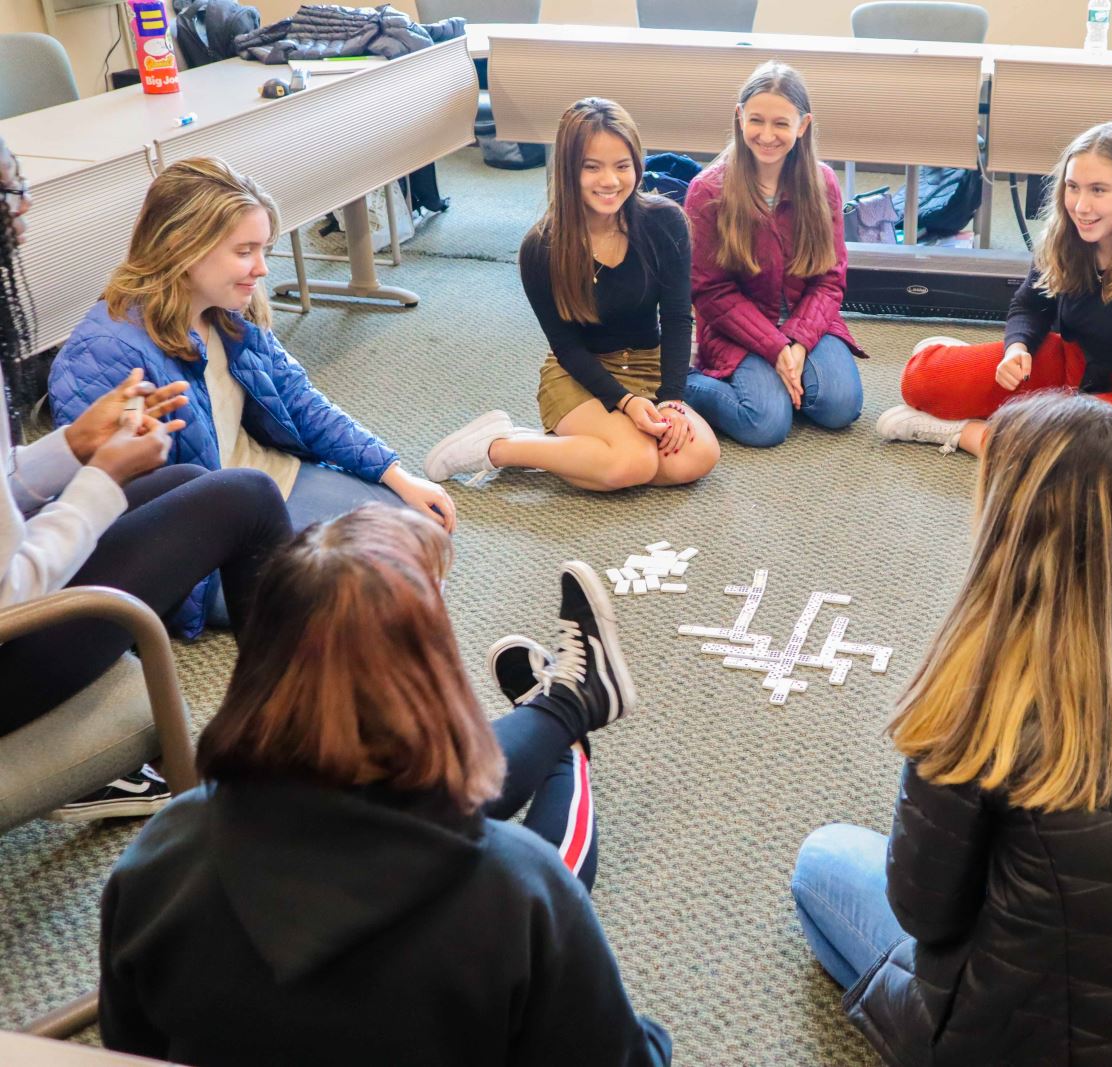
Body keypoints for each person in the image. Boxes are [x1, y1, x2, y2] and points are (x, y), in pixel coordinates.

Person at [792, 392, 1112, 1065]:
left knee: (822, 859)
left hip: (1033, 1039)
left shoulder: (986, 687)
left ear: (1010, 523)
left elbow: (924, 911)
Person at [99, 506, 671, 1066]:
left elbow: (130, 1043)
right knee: (523, 862)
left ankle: (568, 704)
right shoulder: (520, 891)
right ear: (432, 675)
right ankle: (567, 719)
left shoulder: (161, 852)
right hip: (514, 907)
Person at [0, 139, 291, 822]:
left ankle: (273, 732)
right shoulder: (112, 339)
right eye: (12, 193)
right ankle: (289, 753)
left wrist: (72, 447)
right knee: (246, 496)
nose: (29, 202)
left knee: (188, 475)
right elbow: (11, 589)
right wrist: (99, 480)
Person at [48, 157, 453, 548]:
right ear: (180, 247)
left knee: (419, 531)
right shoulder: (103, 353)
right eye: (244, 252)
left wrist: (393, 472)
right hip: (217, 525)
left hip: (267, 478)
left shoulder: (225, 313)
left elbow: (299, 402)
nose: (261, 269)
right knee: (377, 573)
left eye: (262, 250)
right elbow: (129, 519)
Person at [425, 98, 719, 491]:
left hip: (649, 365)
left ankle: (578, 451)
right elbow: (567, 347)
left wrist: (671, 400)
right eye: (591, 167)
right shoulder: (540, 248)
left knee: (697, 458)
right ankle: (501, 446)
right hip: (580, 373)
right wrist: (627, 403)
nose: (610, 181)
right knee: (632, 461)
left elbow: (680, 318)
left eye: (622, 166)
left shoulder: (665, 222)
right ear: (567, 170)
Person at [877, 121, 1112, 465]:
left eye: (1098, 190)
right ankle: (986, 391)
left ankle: (966, 433)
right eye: (1072, 187)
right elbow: (1030, 304)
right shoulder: (1066, 231)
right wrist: (1016, 347)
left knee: (1068, 464)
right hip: (1071, 363)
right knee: (920, 381)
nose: (1080, 206)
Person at [681, 61, 864, 448]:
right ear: (739, 118)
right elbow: (711, 292)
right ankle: (683, 384)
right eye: (756, 120)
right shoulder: (706, 191)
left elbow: (830, 280)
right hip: (738, 327)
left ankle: (782, 382)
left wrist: (796, 342)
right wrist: (775, 347)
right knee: (766, 424)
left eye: (781, 123)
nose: (767, 135)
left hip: (806, 321)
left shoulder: (823, 183)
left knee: (840, 407)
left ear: (803, 125)